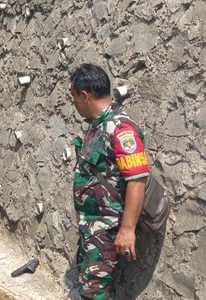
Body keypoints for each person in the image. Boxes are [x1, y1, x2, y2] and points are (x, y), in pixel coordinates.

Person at [69, 63, 149, 299]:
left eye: (73, 96)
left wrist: (127, 230)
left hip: (107, 228)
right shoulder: (98, 125)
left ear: (85, 96)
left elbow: (137, 180)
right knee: (90, 287)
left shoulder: (120, 127)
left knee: (97, 292)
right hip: (92, 227)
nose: (73, 102)